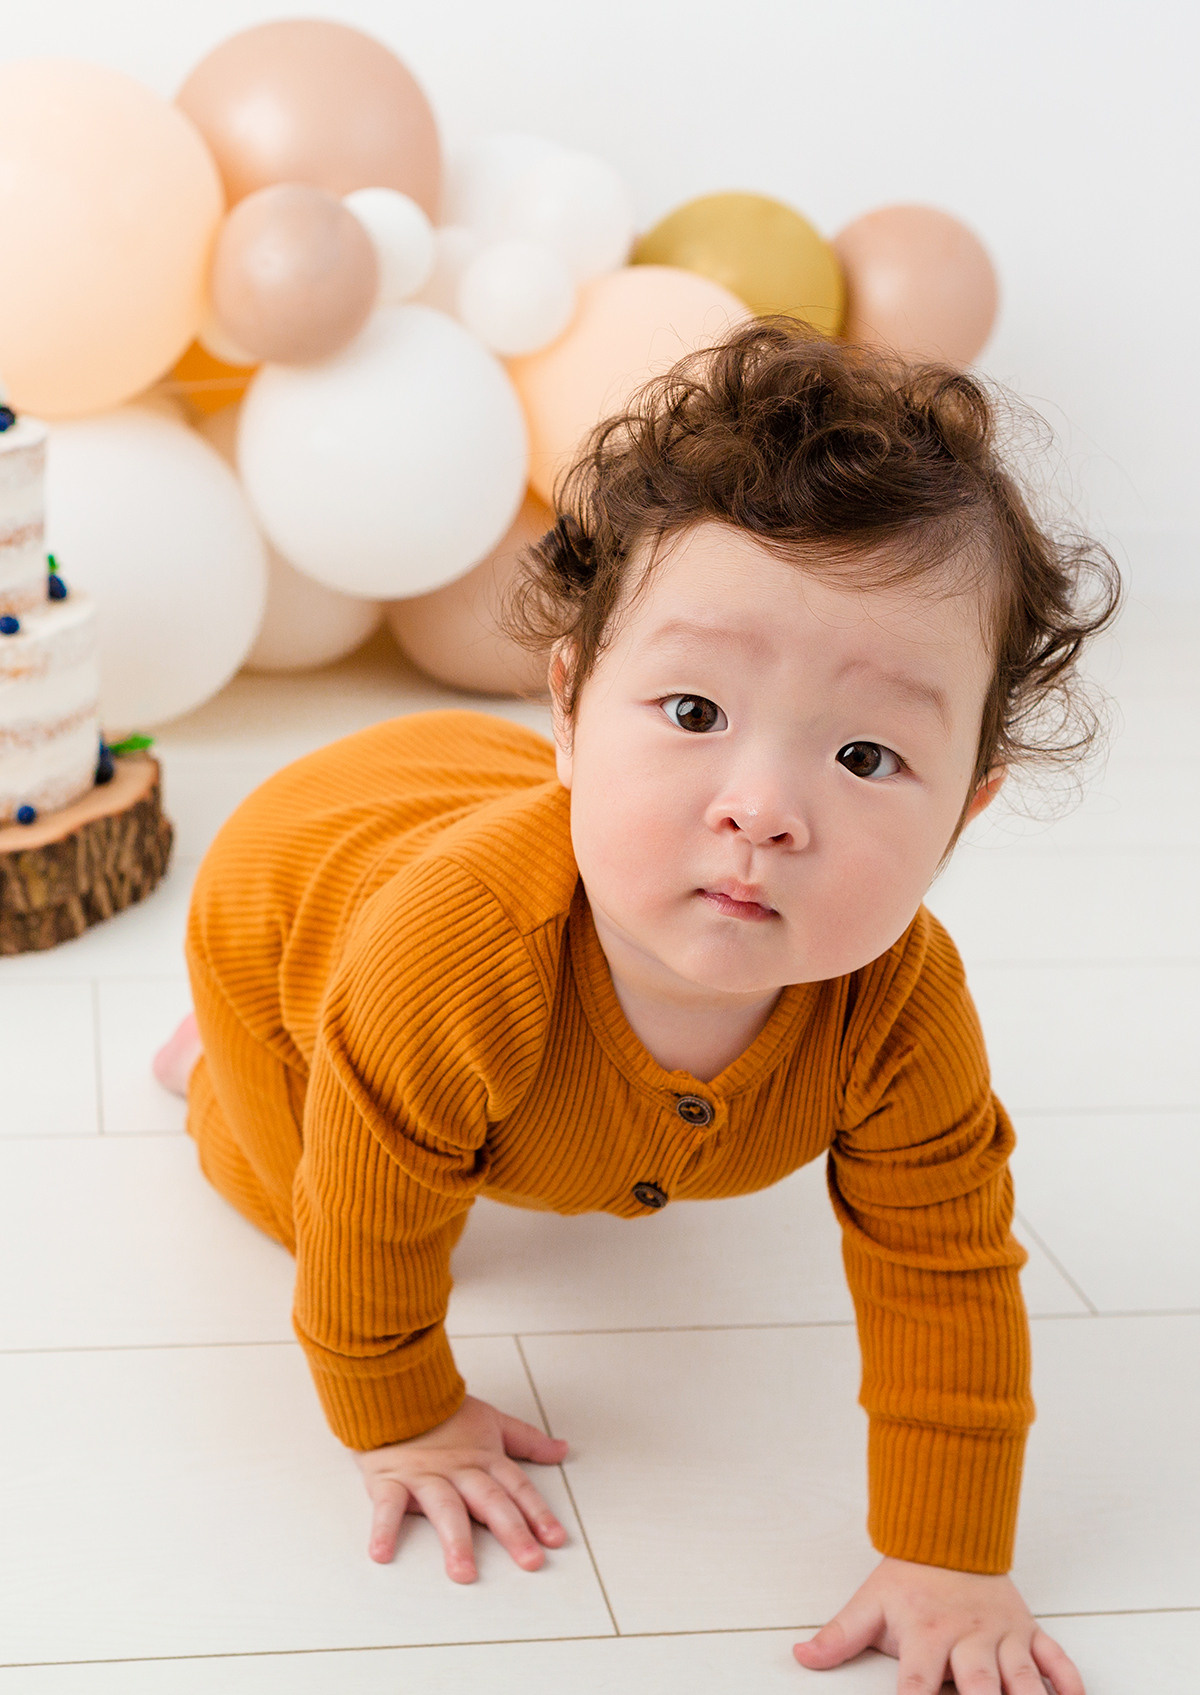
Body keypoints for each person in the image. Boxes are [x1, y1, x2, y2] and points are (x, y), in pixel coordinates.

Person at [154, 318, 1120, 1693]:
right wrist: (406, 1418)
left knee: (417, 1088)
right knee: (292, 1184)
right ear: (573, 702)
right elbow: (366, 1233)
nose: (763, 810)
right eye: (690, 711)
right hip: (303, 889)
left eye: (864, 754)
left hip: (468, 834)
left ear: (964, 810)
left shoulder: (904, 1011)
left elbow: (946, 1268)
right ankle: (226, 1060)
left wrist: (950, 1554)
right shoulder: (456, 955)